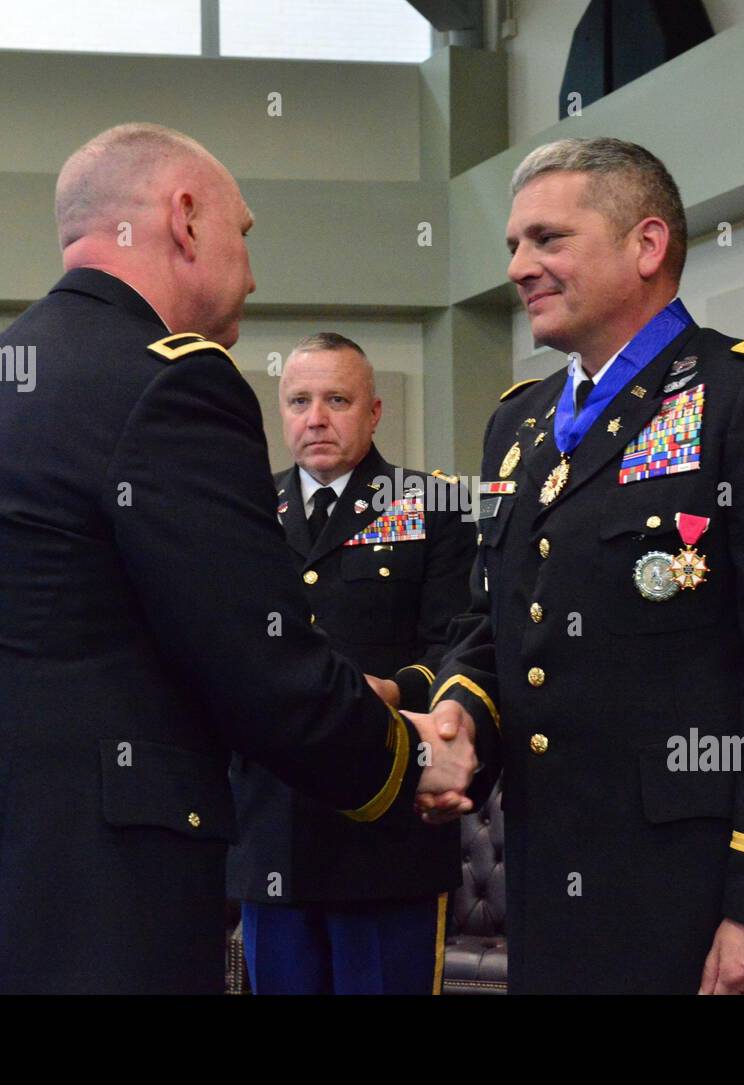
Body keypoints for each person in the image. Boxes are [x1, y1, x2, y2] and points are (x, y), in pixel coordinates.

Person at [0, 123, 474, 995]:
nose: (251, 272)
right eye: (244, 234)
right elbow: (263, 665)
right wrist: (411, 760)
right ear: (185, 219)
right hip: (86, 914)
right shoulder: (173, 383)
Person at [415, 136, 744, 995]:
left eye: (548, 240)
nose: (520, 267)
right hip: (559, 910)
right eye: (514, 244)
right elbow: (493, 622)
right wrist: (459, 717)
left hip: (712, 914)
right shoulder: (516, 428)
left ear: (648, 244)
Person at [228, 332, 475, 994]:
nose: (315, 418)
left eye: (337, 399)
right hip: (273, 822)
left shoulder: (434, 507)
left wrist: (395, 687)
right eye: (299, 400)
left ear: (374, 411)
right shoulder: (245, 512)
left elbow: (457, 644)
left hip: (386, 825)